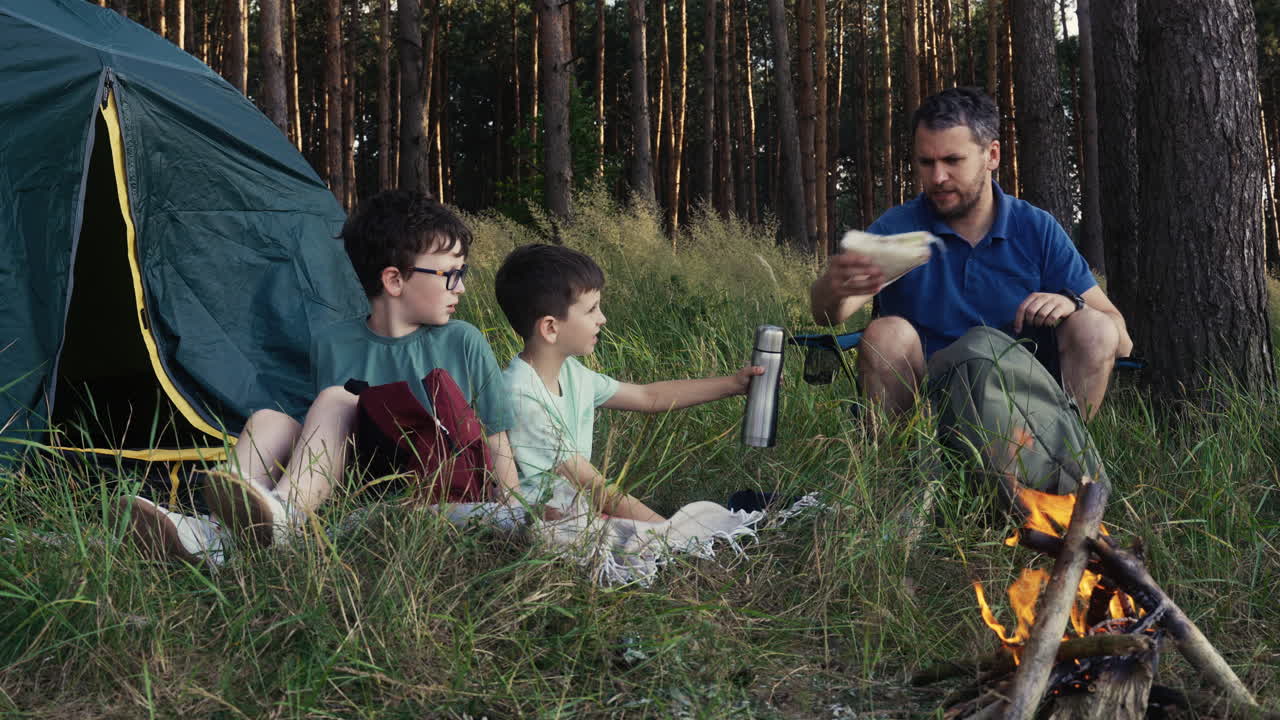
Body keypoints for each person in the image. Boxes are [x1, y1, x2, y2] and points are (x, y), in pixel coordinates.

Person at [122, 190, 521, 558]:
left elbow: (496, 438)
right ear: (394, 280)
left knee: (337, 398)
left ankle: (285, 514)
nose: (460, 288)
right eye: (451, 274)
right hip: (361, 484)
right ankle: (213, 533)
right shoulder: (333, 343)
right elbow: (328, 444)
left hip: (435, 487)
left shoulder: (462, 340)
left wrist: (515, 512)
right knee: (268, 419)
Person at [810, 87, 1133, 422]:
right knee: (885, 333)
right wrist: (834, 287)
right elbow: (828, 314)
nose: (937, 177)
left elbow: (1119, 340)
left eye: (952, 161)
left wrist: (1072, 304)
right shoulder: (899, 229)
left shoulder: (1035, 229)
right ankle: (897, 456)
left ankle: (1062, 451)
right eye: (926, 162)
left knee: (1095, 327)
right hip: (925, 412)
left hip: (1022, 413)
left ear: (992, 155)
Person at [493, 244, 762, 522]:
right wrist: (670, 532)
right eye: (591, 310)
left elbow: (648, 396)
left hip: (578, 507)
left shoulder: (570, 372)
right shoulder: (521, 394)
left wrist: (734, 384)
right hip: (544, 521)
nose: (602, 319)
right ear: (551, 327)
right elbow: (595, 487)